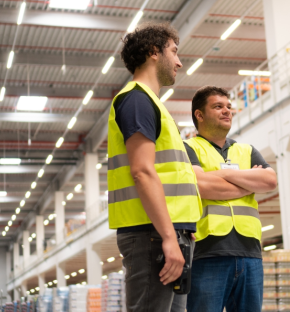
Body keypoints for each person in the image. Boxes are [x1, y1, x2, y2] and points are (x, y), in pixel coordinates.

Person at [106, 23, 202, 312]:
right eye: (173, 52)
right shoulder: (136, 100)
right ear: (153, 53)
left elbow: (168, 173)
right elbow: (142, 172)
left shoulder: (152, 104)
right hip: (152, 235)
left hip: (165, 232)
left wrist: (182, 228)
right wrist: (170, 237)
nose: (179, 61)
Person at [184, 86, 278, 312]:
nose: (227, 111)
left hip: (250, 253)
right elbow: (201, 185)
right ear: (199, 114)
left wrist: (223, 174)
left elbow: (270, 181)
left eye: (228, 107)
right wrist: (247, 181)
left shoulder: (247, 149)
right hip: (207, 252)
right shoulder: (187, 148)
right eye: (218, 107)